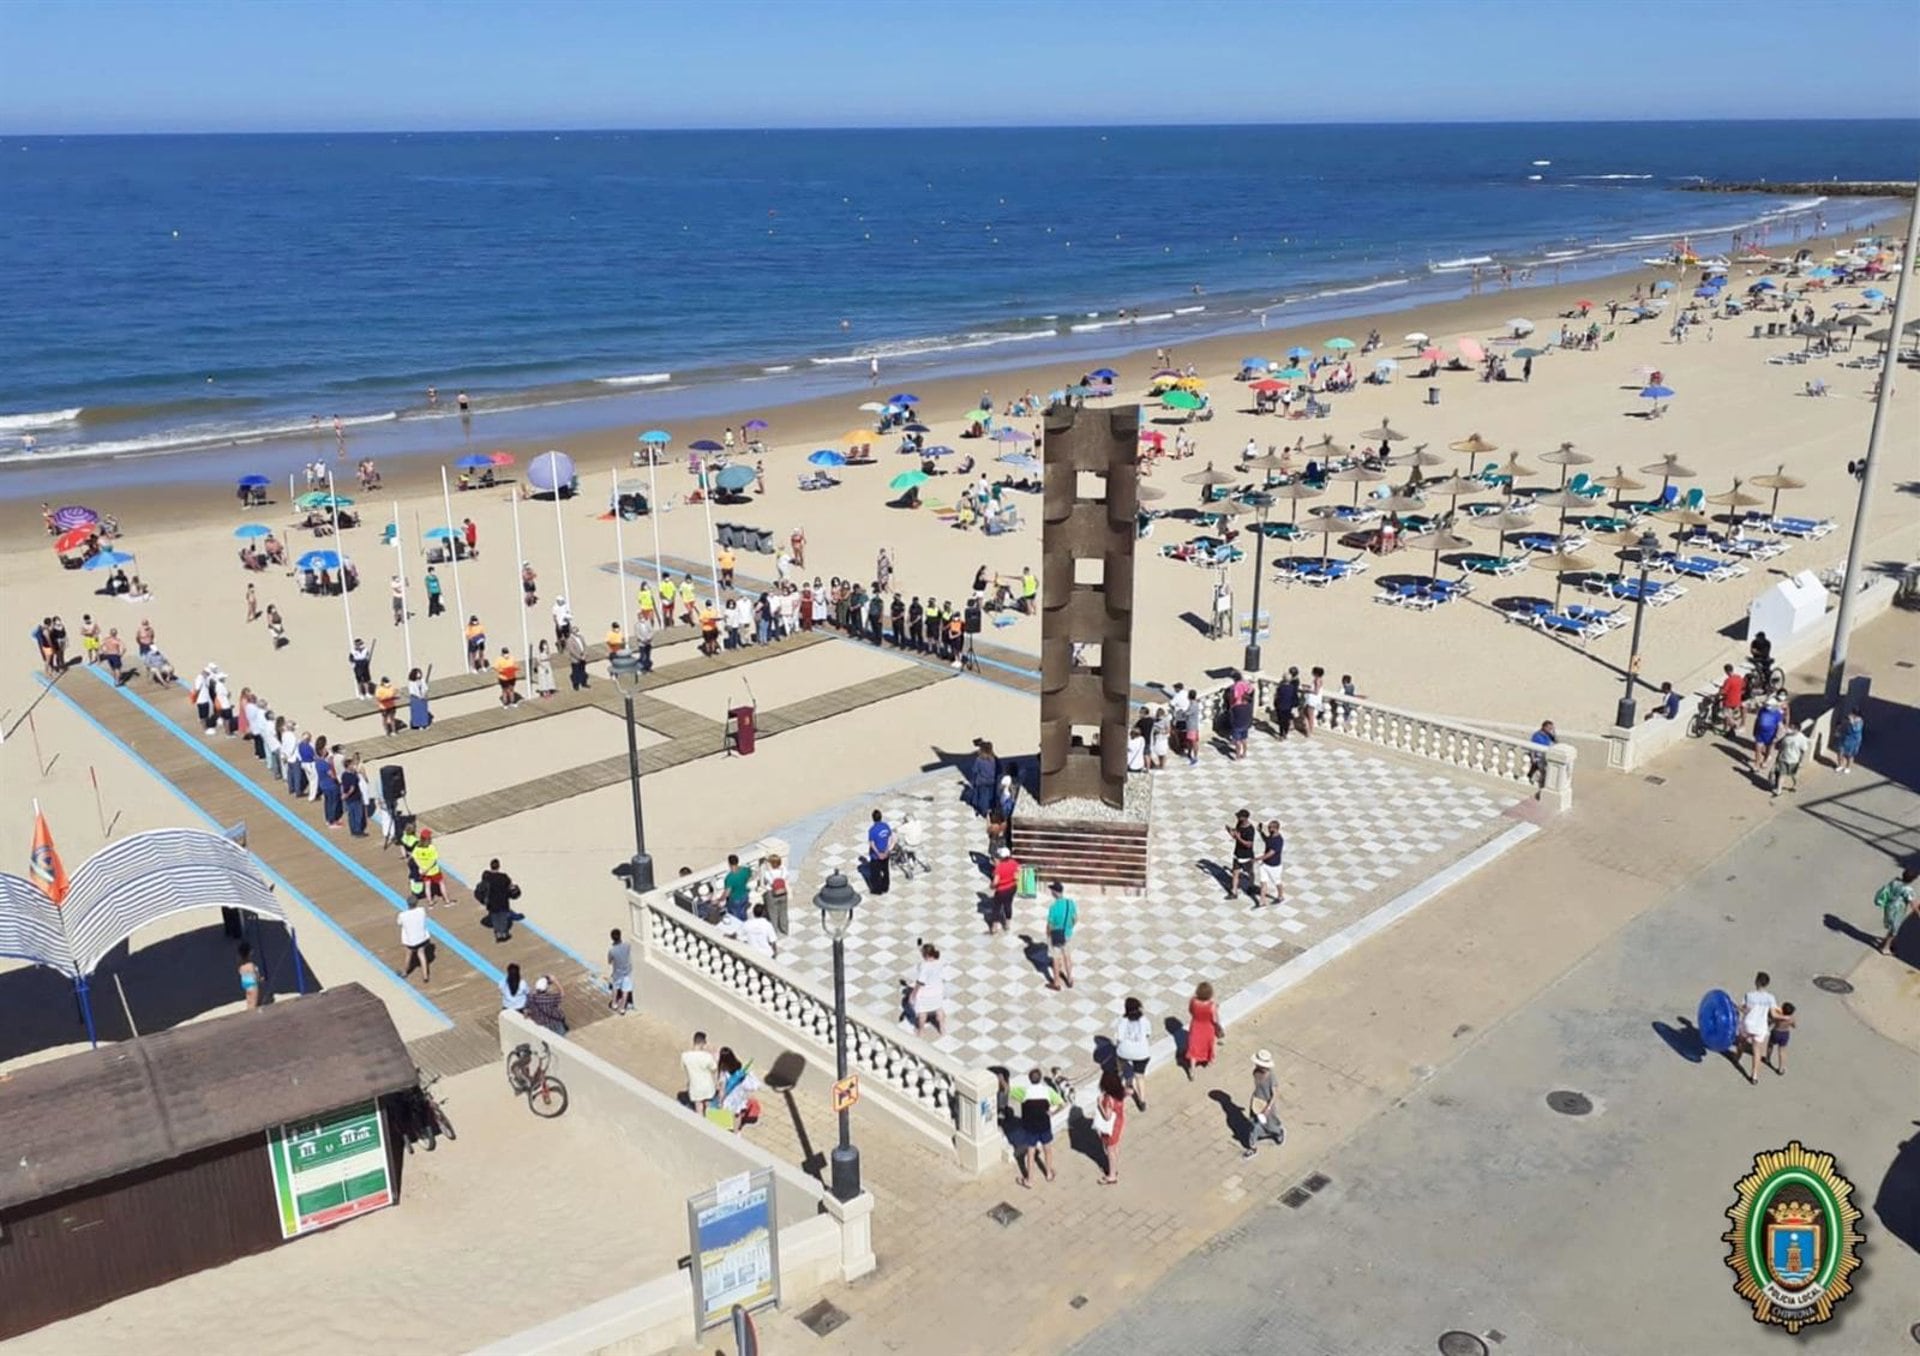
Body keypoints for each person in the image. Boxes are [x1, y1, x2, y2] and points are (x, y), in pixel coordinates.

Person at [1008, 1068, 1062, 1187]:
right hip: (1044, 1125)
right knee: (1047, 1149)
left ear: (1029, 1079)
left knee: (1031, 1153)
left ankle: (1029, 1180)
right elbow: (1060, 1102)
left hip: (1030, 1127)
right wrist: (1052, 1112)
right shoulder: (1047, 1091)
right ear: (1040, 1078)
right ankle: (1048, 1173)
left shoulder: (1024, 1091)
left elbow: (1009, 1091)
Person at [1242, 1049, 1287, 1157]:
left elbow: (1274, 1094)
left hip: (1267, 1105)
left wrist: (1267, 1108)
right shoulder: (1255, 1072)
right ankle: (1252, 1147)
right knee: (1254, 1125)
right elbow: (1257, 1088)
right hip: (1256, 1102)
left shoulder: (1271, 1077)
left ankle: (1278, 1131)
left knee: (1270, 1126)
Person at [1737, 972, 1778, 1085]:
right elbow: (1774, 1015)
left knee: (1741, 1041)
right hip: (1760, 1027)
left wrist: (1737, 1007)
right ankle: (1754, 1076)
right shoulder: (1771, 998)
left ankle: (1737, 1057)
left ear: (1757, 982)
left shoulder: (1749, 995)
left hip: (1748, 1024)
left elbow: (1745, 1010)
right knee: (1757, 1050)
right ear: (1767, 984)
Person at [1113, 996, 1152, 1111]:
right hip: (1141, 1053)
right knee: (1140, 1077)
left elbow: (1119, 1038)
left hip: (1124, 1051)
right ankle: (1142, 1101)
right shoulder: (1144, 1020)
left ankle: (1119, 1087)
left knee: (1120, 1068)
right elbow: (1148, 1034)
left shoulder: (1122, 1021)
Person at [1093, 1066, 1126, 1185]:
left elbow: (1107, 1116)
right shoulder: (1121, 1092)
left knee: (1110, 1150)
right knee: (1115, 1147)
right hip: (1119, 1121)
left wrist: (1099, 1104)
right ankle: (1115, 1168)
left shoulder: (1108, 1099)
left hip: (1111, 1127)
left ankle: (1112, 1175)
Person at [477, 857, 520, 942]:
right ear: (498, 866)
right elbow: (510, 886)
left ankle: (498, 933)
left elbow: (483, 887)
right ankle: (504, 933)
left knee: (495, 917)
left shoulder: (487, 877)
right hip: (503, 901)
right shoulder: (504, 877)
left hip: (492, 902)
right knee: (503, 917)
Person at [1877, 867, 1917, 955]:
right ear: (1912, 879)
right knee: (1894, 929)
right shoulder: (1908, 890)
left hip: (1889, 907)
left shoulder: (1895, 881)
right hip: (1897, 910)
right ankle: (1886, 948)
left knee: (1891, 925)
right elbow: (1913, 904)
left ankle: (1889, 941)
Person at [908, 942, 945, 1036]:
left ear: (926, 955)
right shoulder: (939, 962)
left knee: (922, 1013)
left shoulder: (925, 966)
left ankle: (921, 1031)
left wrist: (913, 994)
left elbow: (920, 982)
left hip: (926, 994)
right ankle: (942, 1028)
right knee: (939, 1010)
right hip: (938, 991)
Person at [1185, 981, 1222, 1074]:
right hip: (1208, 1028)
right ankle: (1209, 1061)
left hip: (1196, 1026)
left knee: (1194, 1047)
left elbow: (1191, 1011)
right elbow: (1215, 1019)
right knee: (1209, 1045)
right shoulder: (1212, 1006)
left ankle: (1192, 1069)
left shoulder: (1193, 1001)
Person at [1045, 881, 1076, 990]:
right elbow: (1075, 919)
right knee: (1067, 956)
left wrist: (1048, 935)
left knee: (1056, 958)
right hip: (1067, 934)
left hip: (1056, 935)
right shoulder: (1070, 903)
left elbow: (1050, 925)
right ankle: (1070, 979)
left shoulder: (1053, 907)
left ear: (1055, 892)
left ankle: (1057, 982)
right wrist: (1069, 928)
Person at [398, 894, 433, 985]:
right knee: (422, 955)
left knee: (409, 955)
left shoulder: (403, 915)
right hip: (422, 938)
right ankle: (425, 976)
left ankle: (405, 972)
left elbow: (399, 923)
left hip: (411, 941)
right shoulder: (421, 911)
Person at [681, 1031, 719, 1114]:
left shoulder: (685, 1056)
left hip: (695, 1087)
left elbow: (685, 1069)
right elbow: (714, 1069)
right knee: (709, 1108)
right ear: (702, 1043)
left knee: (699, 1108)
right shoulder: (707, 1056)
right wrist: (715, 1058)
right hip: (708, 1087)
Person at [1772, 720, 1811, 797]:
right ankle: (1779, 790)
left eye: (1792, 728)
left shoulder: (1801, 738)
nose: (1789, 729)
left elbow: (1803, 751)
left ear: (1797, 730)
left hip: (1794, 761)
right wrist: (1778, 757)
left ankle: (1795, 784)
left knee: (1793, 775)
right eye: (1790, 727)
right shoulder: (1786, 736)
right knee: (1781, 774)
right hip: (1783, 758)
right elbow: (1781, 747)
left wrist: (1801, 762)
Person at [1225, 809, 1257, 901]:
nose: (1237, 817)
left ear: (1245, 818)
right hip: (1237, 853)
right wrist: (1230, 831)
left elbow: (1249, 844)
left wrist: (1238, 838)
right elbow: (1235, 835)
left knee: (1250, 872)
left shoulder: (1250, 829)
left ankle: (1251, 886)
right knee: (1235, 873)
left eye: (1239, 816)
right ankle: (1234, 892)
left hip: (1246, 856)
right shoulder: (1239, 823)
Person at [988, 847, 1018, 934]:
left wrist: (992, 886)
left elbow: (995, 881)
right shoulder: (1014, 863)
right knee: (1008, 905)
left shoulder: (999, 867)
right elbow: (1017, 874)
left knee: (997, 907)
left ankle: (994, 927)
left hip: (1001, 890)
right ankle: (1007, 924)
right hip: (1012, 888)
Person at [1256, 819, 1285, 908]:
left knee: (1277, 882)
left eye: (1270, 828)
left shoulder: (1278, 840)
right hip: (1265, 864)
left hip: (1274, 866)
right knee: (1263, 882)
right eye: (1268, 827)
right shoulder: (1271, 837)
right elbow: (1266, 840)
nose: (1268, 829)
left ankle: (1280, 896)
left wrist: (1258, 858)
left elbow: (1271, 853)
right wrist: (1261, 832)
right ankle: (1262, 901)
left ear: (1276, 829)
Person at [606, 927, 634, 1014]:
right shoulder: (627, 945)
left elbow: (609, 961)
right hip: (627, 972)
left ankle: (614, 1003)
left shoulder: (612, 950)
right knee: (625, 990)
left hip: (617, 973)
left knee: (615, 988)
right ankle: (622, 1008)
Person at [1528, 719, 1558, 797]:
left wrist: (1554, 733)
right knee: (1542, 772)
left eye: (1551, 728)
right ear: (1544, 727)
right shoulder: (1537, 735)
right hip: (1539, 757)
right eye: (1549, 728)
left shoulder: (1548, 735)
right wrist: (1533, 758)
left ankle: (1530, 778)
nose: (1550, 730)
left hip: (1546, 756)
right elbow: (1533, 748)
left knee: (1537, 771)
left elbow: (1556, 741)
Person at [866, 808, 893, 895]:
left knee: (875, 873)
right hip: (886, 854)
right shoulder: (886, 826)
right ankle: (885, 887)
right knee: (885, 871)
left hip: (876, 856)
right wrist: (886, 850)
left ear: (873, 818)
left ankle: (877, 890)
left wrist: (878, 854)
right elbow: (889, 838)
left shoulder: (872, 830)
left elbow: (872, 844)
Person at [1767, 1002, 1797, 1076]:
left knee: (1770, 1045)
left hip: (1776, 1032)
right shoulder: (1791, 1018)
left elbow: (1771, 1021)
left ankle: (1768, 1058)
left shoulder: (1779, 1016)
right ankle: (1781, 1068)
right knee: (1782, 1051)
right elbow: (1794, 1026)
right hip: (1785, 1034)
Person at [722, 853, 753, 921]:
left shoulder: (729, 878)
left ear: (729, 864)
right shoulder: (745, 870)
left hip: (735, 899)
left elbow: (727, 893)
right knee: (743, 912)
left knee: (736, 917)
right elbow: (751, 875)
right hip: (745, 895)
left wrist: (720, 899)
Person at [1717, 664, 1747, 733]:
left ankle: (1734, 725)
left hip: (1729, 701)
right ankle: (1725, 729)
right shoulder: (1739, 678)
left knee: (1726, 715)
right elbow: (1743, 686)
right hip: (1737, 701)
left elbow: (1723, 692)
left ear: (1726, 671)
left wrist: (1718, 693)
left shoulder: (1728, 680)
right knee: (1731, 715)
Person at [1833, 709, 1863, 774]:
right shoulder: (1847, 719)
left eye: (1853, 714)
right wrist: (1838, 731)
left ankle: (1848, 767)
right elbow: (1841, 725)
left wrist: (1852, 723)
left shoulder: (1859, 722)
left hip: (1853, 741)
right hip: (1843, 738)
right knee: (1840, 752)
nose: (1851, 715)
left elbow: (1856, 730)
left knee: (1850, 755)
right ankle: (1840, 765)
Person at [237, 942, 263, 1010]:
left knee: (249, 1001)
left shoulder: (241, 965)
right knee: (254, 1002)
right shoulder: (251, 965)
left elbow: (241, 972)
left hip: (246, 985)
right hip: (253, 985)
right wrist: (260, 979)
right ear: (250, 953)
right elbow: (255, 976)